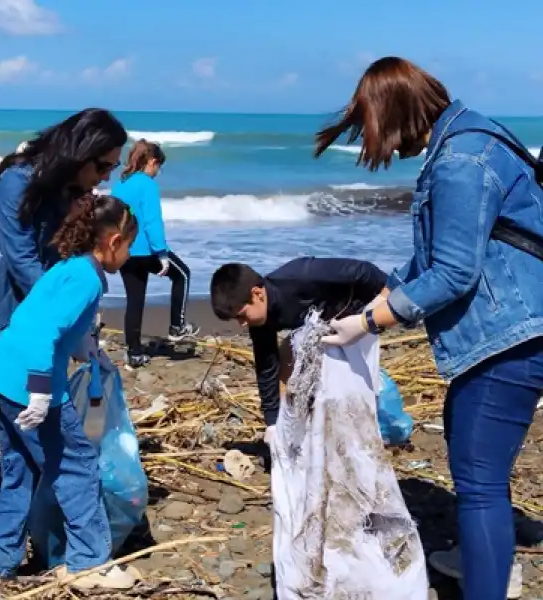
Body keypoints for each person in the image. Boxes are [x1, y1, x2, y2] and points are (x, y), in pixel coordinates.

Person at [313, 56, 543, 600]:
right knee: (469, 450)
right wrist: (380, 299)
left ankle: (485, 582)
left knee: (480, 482)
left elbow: (454, 273)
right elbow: (438, 256)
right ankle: (475, 560)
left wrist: (370, 322)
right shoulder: (474, 134)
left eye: (379, 135)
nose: (386, 151)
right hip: (517, 324)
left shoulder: (459, 160)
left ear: (397, 114)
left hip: (510, 334)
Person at [0, 109, 127, 554]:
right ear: (80, 151)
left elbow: (62, 255)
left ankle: (4, 543)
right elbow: (20, 256)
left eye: (112, 168)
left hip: (23, 309)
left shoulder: (73, 191)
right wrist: (58, 315)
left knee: (18, 434)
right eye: (102, 165)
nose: (105, 176)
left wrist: (79, 331)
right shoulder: (19, 177)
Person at [0, 194, 140, 590]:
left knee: (22, 467)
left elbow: (34, 317)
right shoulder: (86, 280)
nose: (130, 255)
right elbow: (42, 332)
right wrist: (40, 392)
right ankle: (88, 562)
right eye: (130, 246)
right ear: (114, 241)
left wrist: (86, 348)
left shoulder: (66, 267)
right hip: (29, 383)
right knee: (77, 465)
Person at [209, 258, 387, 433]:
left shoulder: (302, 275)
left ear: (257, 293)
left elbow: (363, 271)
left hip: (360, 317)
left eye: (242, 315)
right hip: (326, 326)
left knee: (341, 387)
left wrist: (385, 304)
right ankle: (290, 425)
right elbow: (267, 368)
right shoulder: (259, 320)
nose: (242, 324)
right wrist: (271, 424)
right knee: (288, 355)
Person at [111, 140, 198, 367]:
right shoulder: (147, 184)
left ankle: (135, 353)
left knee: (134, 301)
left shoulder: (121, 184)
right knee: (183, 275)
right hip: (147, 250)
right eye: (158, 166)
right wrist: (161, 253)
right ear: (152, 161)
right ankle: (177, 326)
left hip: (125, 251)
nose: (158, 172)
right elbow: (151, 221)